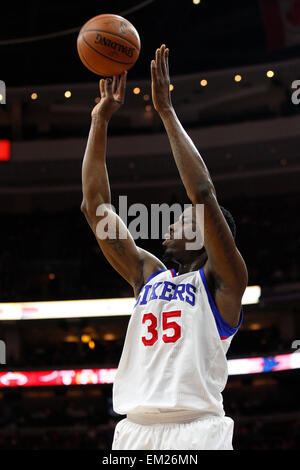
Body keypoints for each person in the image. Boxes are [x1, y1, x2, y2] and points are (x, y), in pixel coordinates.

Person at [81, 44, 248, 450]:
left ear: (207, 234)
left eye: (185, 218)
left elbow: (204, 193)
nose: (173, 221)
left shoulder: (225, 283)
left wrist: (167, 112)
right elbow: (95, 206)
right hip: (135, 430)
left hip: (196, 431)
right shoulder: (148, 275)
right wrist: (99, 121)